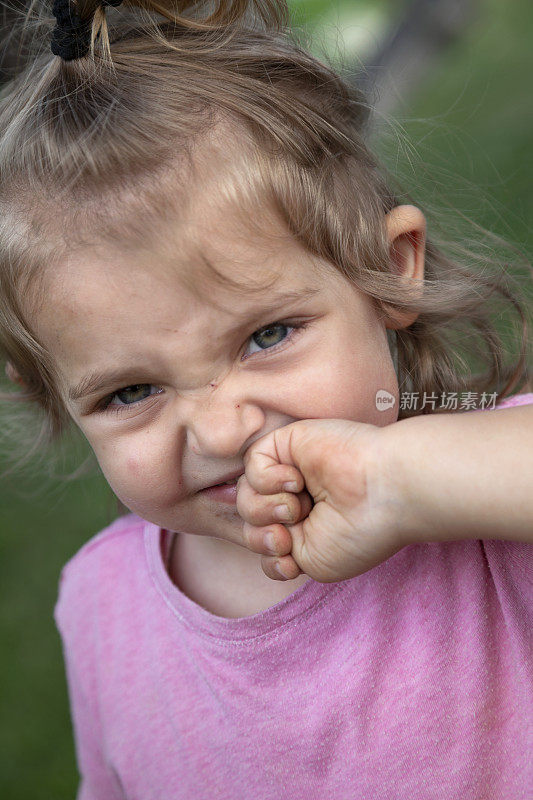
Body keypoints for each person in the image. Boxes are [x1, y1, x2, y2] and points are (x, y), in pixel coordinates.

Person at [0, 1, 531, 798]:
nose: (221, 429)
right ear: (50, 394)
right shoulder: (100, 610)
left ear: (386, 271)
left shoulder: (483, 491)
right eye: (131, 391)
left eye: (268, 335)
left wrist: (402, 484)